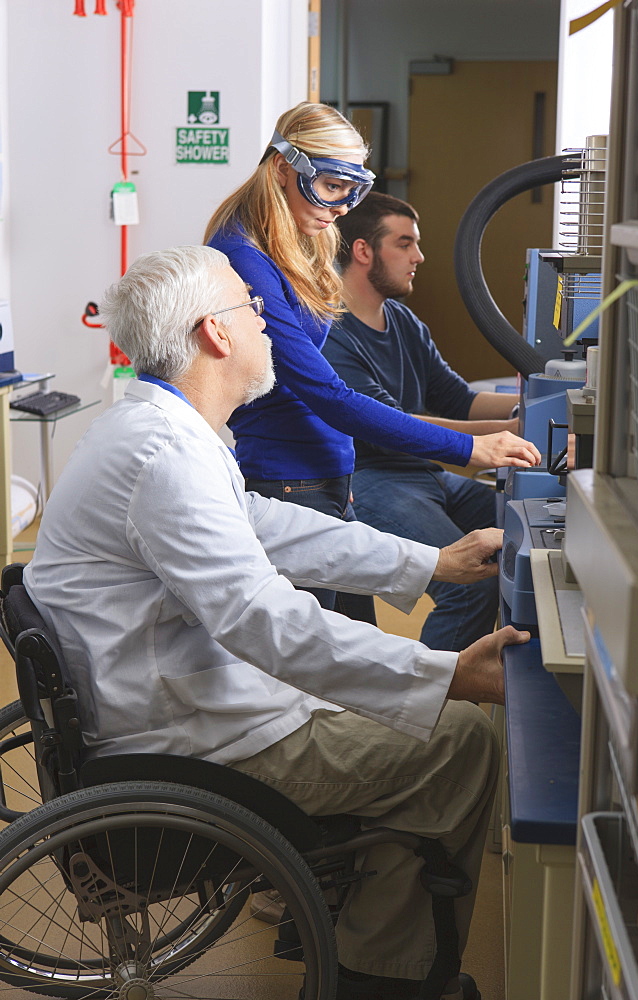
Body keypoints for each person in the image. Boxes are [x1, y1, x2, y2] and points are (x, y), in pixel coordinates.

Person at [24, 246, 530, 1000]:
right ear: (214, 334)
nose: (268, 319)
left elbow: (268, 528)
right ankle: (378, 978)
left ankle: (347, 922)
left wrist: (432, 564)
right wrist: (447, 673)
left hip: (183, 703)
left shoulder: (163, 430)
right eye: (250, 307)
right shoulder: (165, 454)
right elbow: (259, 619)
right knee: (455, 742)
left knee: (398, 707)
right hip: (187, 741)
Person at [204, 102, 540, 619]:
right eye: (331, 186)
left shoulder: (296, 243)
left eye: (352, 189)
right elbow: (330, 399)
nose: (340, 206)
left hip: (331, 476)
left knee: (348, 648)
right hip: (290, 481)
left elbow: (445, 395)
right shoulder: (244, 253)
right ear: (281, 169)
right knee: (314, 663)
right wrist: (467, 448)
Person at [323, 192, 521, 652]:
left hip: (427, 476)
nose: (419, 257)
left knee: (522, 535)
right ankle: (434, 711)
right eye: (405, 243)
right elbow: (391, 424)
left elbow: (459, 398)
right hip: (373, 481)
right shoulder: (331, 331)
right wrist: (508, 434)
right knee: (469, 584)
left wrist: (534, 401)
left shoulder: (403, 322)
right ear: (363, 251)